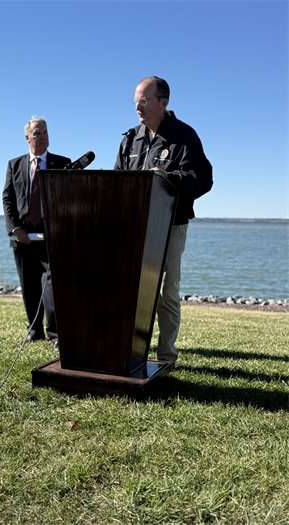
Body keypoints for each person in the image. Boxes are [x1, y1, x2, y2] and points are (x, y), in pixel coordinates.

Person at [114, 76, 213, 365]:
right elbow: (117, 180)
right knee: (134, 291)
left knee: (166, 293)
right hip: (135, 228)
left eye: (144, 101)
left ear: (163, 102)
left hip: (170, 225)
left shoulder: (184, 136)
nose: (138, 107)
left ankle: (166, 356)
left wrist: (164, 177)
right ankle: (131, 352)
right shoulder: (130, 139)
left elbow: (203, 179)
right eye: (136, 101)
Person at [2, 116, 71, 344]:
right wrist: (15, 229)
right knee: (29, 286)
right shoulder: (15, 165)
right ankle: (34, 332)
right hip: (22, 237)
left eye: (45, 133)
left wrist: (58, 228)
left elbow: (69, 200)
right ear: (27, 138)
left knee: (50, 286)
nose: (43, 137)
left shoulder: (63, 163)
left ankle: (55, 334)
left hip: (51, 236)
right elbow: (8, 199)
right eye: (37, 133)